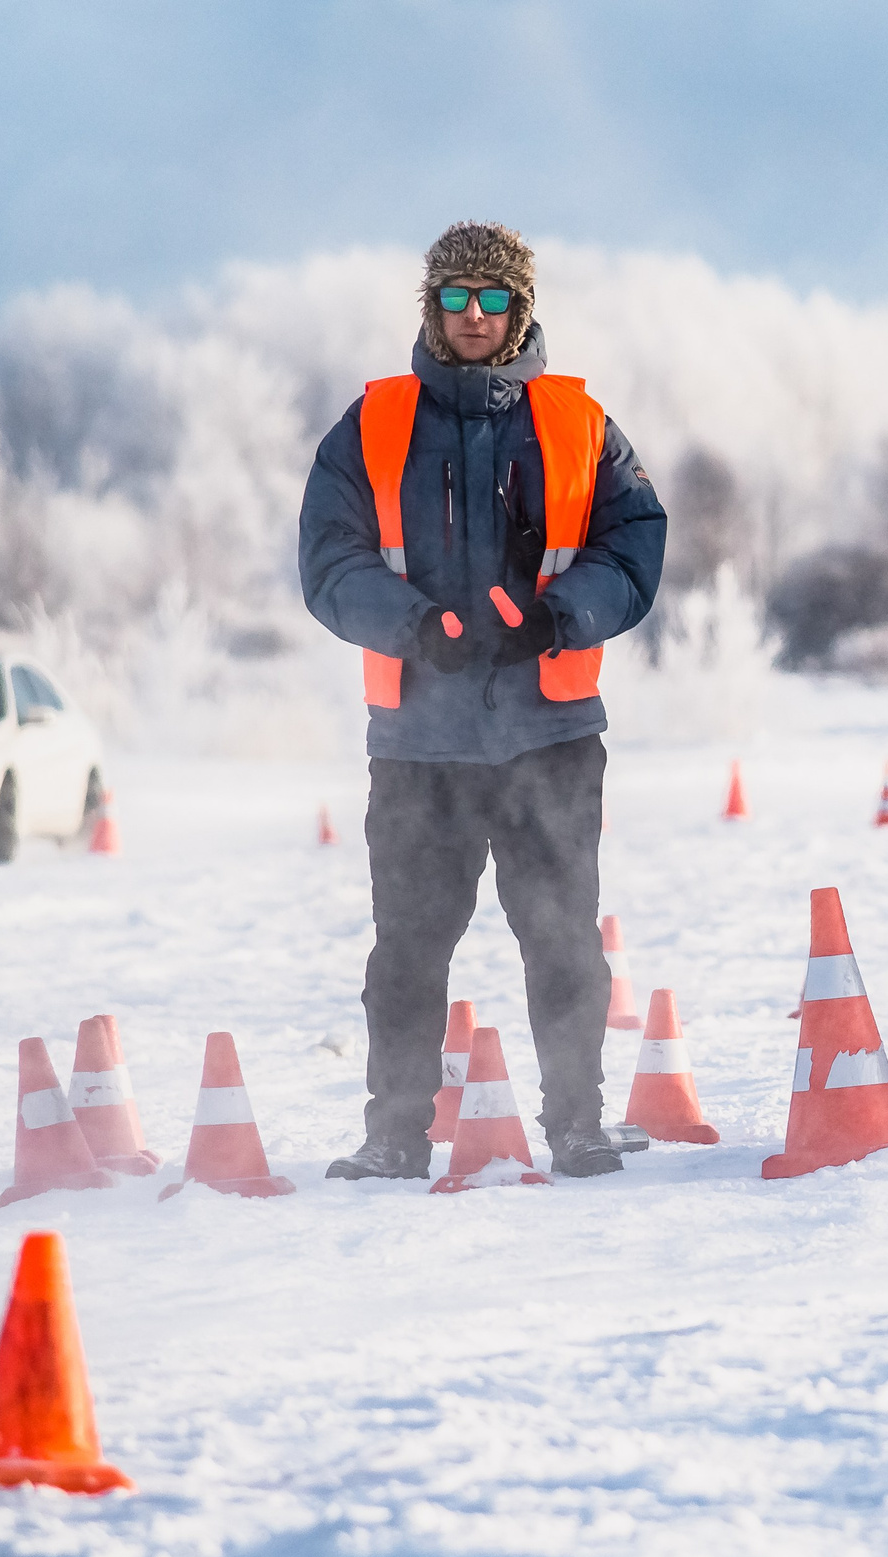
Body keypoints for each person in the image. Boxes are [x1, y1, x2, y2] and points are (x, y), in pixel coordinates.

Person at [299, 221, 665, 1181]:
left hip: (549, 735)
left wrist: (557, 618)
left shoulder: (580, 425)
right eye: (456, 297)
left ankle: (578, 1122)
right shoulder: (371, 425)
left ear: (521, 309)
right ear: (431, 306)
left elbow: (634, 545)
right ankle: (394, 1135)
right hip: (419, 745)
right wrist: (414, 626)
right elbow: (328, 560)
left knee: (563, 938)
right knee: (407, 951)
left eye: (492, 298)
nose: (473, 315)